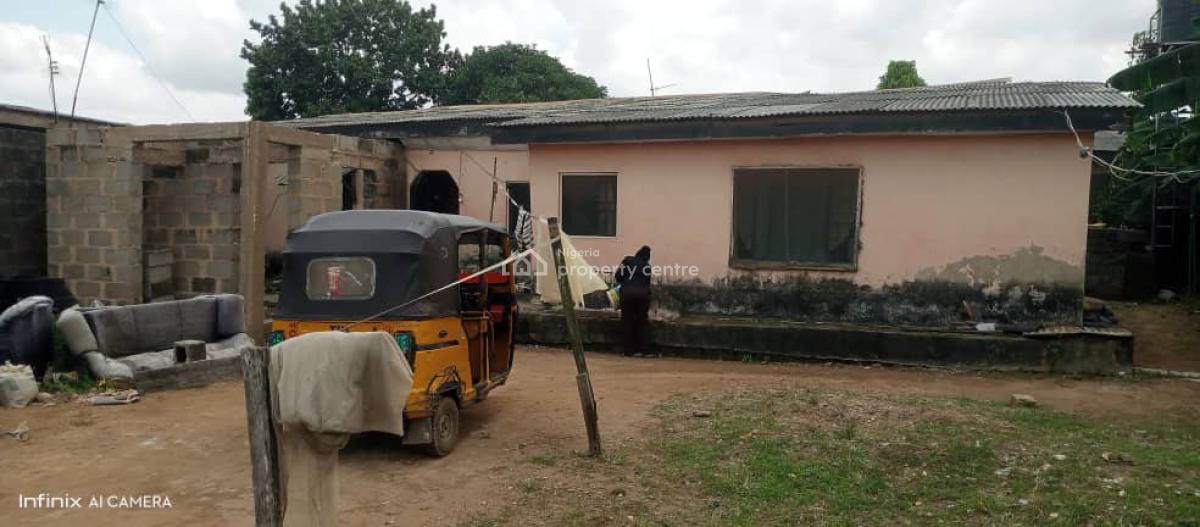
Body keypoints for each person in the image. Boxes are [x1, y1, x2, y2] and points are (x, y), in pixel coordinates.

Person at [614, 245, 653, 357]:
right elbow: (647, 283)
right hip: (643, 296)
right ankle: (644, 350)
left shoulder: (627, 260)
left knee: (627, 321)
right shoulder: (647, 266)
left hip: (627, 294)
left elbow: (618, 276)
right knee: (642, 321)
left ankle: (628, 350)